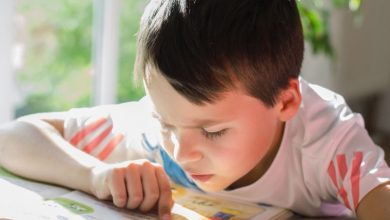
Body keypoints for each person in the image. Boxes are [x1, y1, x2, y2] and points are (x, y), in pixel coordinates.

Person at [1, 0, 390, 219]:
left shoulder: (325, 139)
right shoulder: (153, 130)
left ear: (285, 102)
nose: (181, 153)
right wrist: (96, 175)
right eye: (165, 121)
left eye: (214, 131)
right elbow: (12, 138)